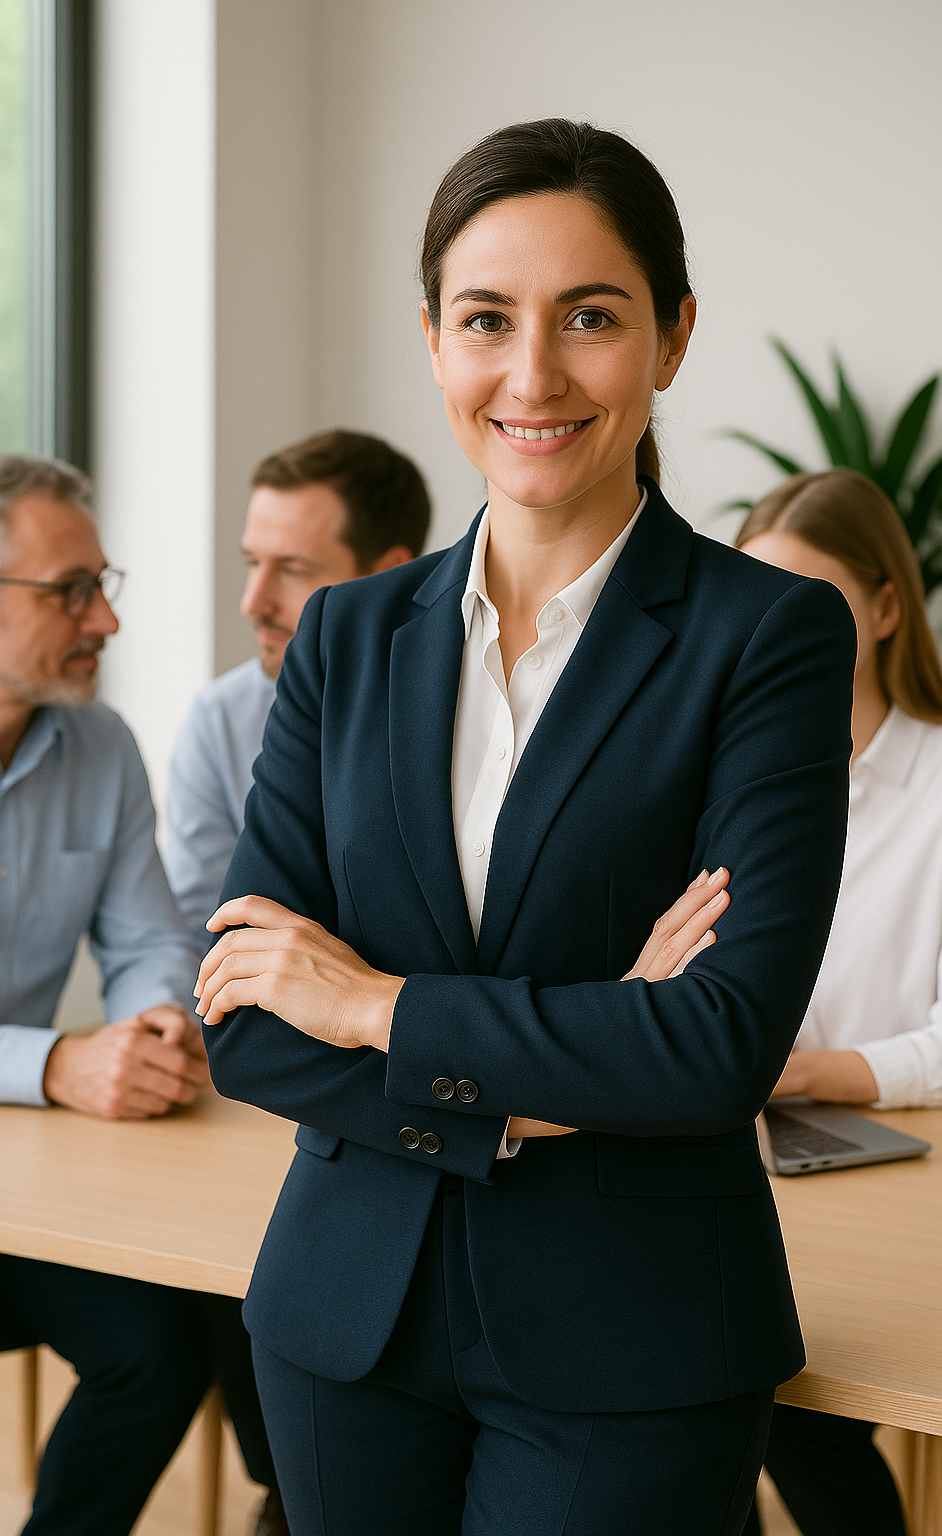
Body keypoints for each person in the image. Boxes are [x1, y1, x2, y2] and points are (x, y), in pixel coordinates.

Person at [196, 120, 857, 1536]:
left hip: (633, 1338)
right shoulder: (346, 638)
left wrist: (374, 1005)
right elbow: (245, 1019)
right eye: (488, 319)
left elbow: (719, 1045)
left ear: (673, 337)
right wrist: (576, 1055)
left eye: (593, 318)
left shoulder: (768, 638)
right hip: (341, 1324)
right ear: (434, 340)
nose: (535, 374)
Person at [0, 452, 215, 1535]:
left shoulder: (104, 746)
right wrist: (51, 1063)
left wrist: (152, 1019)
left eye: (104, 584)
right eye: (69, 593)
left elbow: (148, 938)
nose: (106, 620)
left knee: (167, 1351)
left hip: (19, 1184)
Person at [736, 466, 942, 1536]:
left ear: (883, 607)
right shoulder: (716, 785)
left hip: (891, 1180)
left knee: (787, 1397)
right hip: (743, 1155)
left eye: (805, 605)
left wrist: (811, 1072)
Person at [165, 430, 430, 955]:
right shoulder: (220, 717)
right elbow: (203, 926)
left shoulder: (466, 705)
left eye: (291, 570)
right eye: (252, 563)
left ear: (388, 573)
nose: (252, 601)